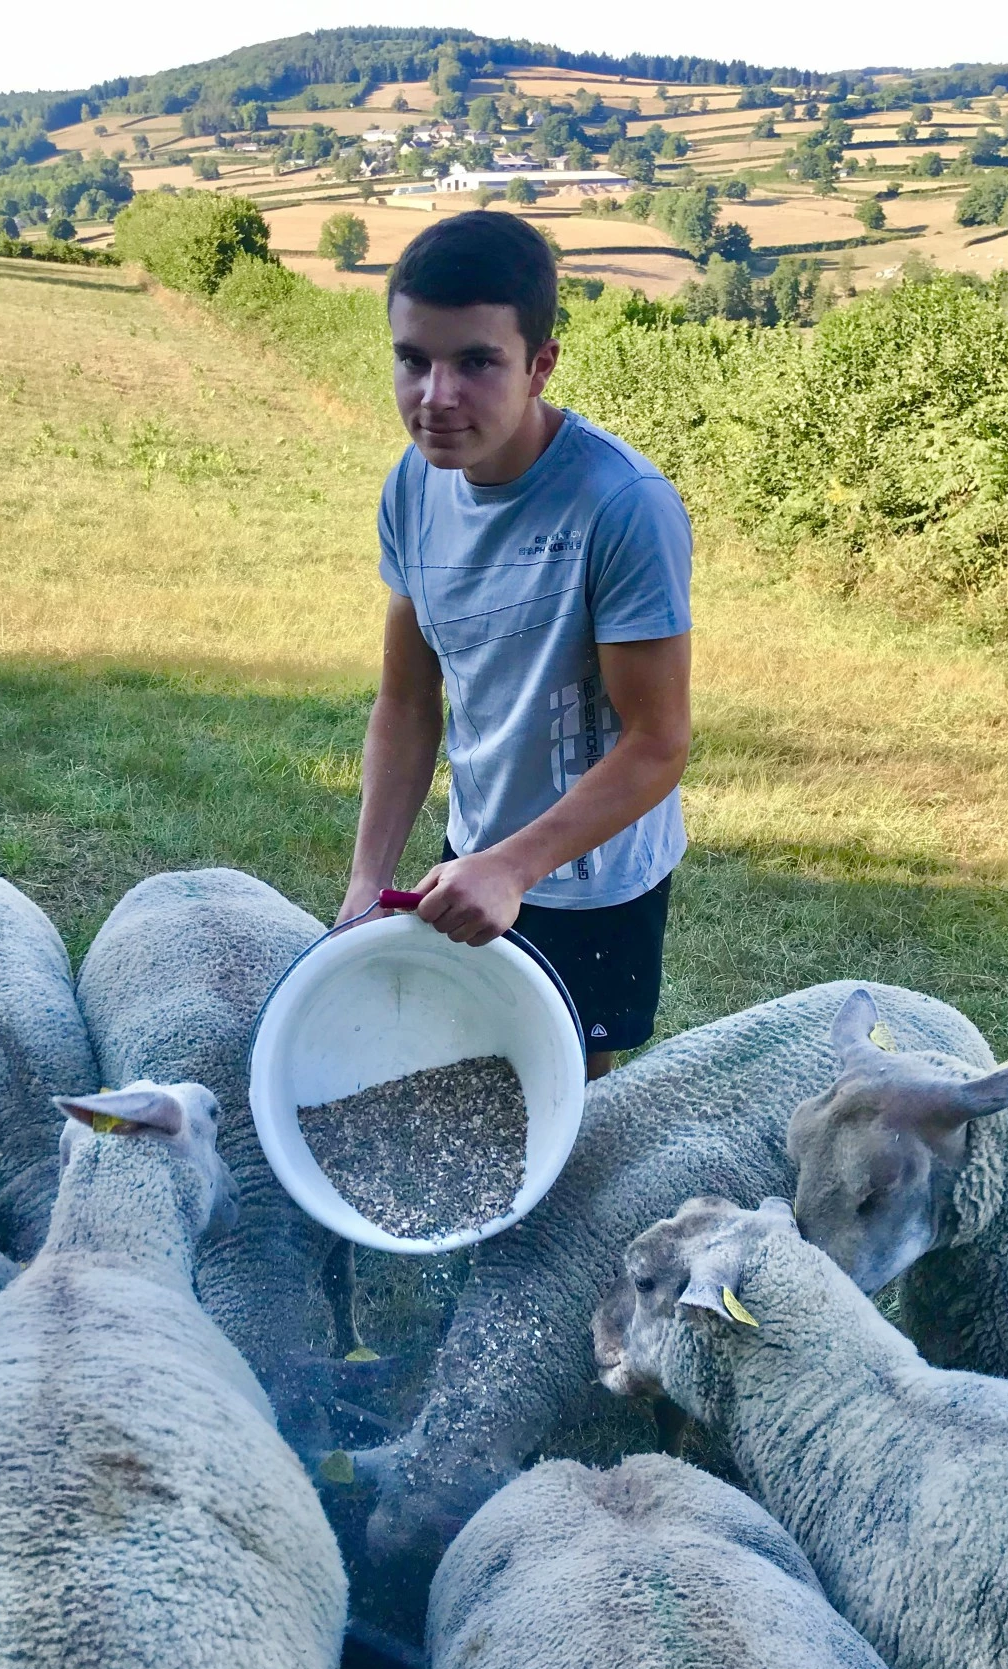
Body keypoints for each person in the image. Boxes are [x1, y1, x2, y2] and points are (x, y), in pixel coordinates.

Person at [337, 210, 693, 1079]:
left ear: (540, 364)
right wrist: (364, 883)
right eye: (413, 359)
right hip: (479, 847)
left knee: (569, 1090)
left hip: (594, 868)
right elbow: (407, 702)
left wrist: (518, 867)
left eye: (477, 363)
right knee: (462, 1063)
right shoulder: (413, 487)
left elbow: (658, 744)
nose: (436, 396)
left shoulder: (622, 506)